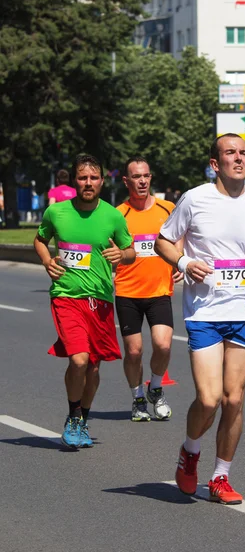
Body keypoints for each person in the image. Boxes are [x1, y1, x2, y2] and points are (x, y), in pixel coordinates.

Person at [155, 133, 245, 504]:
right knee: (209, 399)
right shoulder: (195, 199)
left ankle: (221, 477)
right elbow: (165, 240)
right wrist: (183, 262)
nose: (239, 159)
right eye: (231, 153)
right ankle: (190, 452)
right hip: (205, 311)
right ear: (216, 163)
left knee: (234, 399)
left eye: (243, 153)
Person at [34, 154, 135, 448]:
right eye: (82, 177)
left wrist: (122, 255)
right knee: (78, 359)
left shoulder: (114, 216)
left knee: (93, 366)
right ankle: (73, 415)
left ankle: (83, 419)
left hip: (100, 299)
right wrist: (46, 261)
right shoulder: (57, 213)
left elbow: (130, 251)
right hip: (66, 296)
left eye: (93, 178)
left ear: (102, 181)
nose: (87, 183)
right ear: (74, 180)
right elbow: (40, 239)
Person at [114, 156, 182, 422]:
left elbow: (180, 234)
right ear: (126, 180)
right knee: (133, 351)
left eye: (146, 176)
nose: (142, 181)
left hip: (159, 290)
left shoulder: (168, 208)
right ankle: (137, 398)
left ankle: (155, 388)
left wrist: (179, 257)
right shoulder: (118, 214)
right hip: (127, 291)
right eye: (136, 176)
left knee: (163, 346)